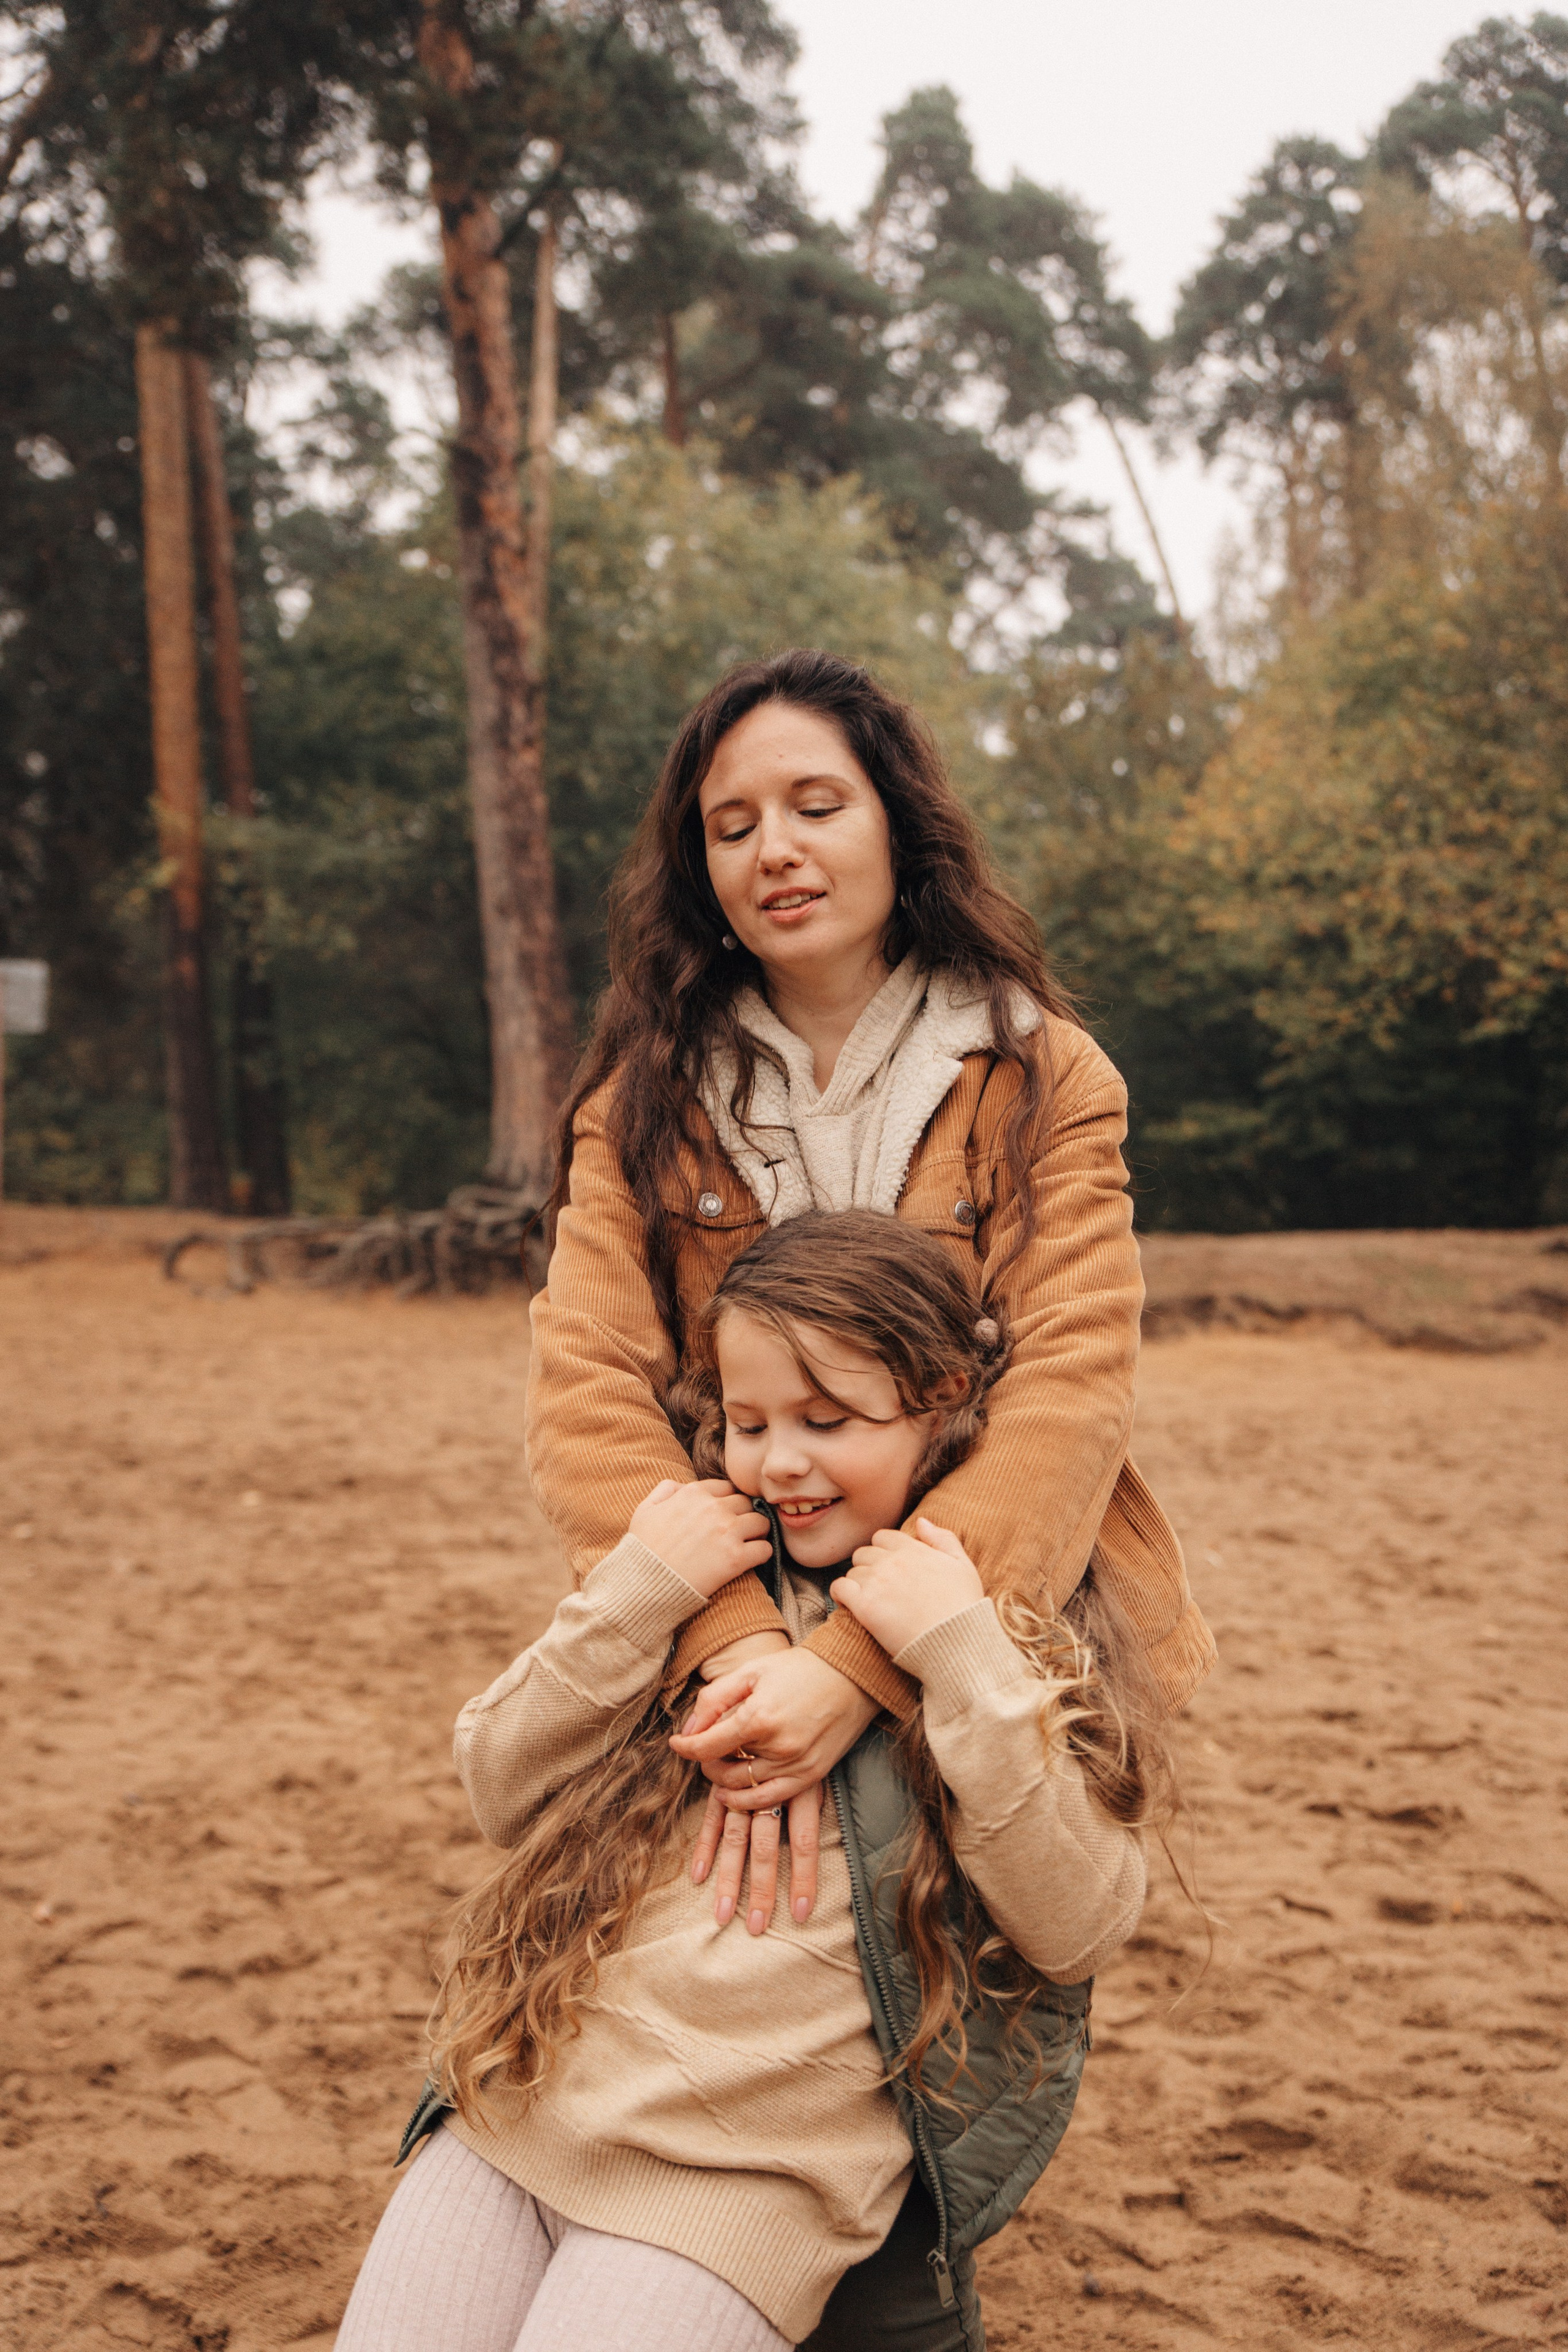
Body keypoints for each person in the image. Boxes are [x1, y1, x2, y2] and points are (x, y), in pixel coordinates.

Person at [335, 1212, 1174, 2352]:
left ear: (944, 1405)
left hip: (740, 2176)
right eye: (747, 1422)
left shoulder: (1003, 1632)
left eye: (828, 1421)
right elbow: (498, 1783)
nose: (779, 1461)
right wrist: (642, 1591)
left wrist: (956, 1648)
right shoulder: (712, 1579)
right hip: (523, 2106)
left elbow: (1080, 1923)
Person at [526, 646, 1213, 1936]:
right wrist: (739, 1648)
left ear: (898, 822)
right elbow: (585, 1392)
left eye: (814, 806)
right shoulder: (637, 1104)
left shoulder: (1048, 1076)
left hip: (989, 1603)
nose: (771, 849)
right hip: (725, 1594)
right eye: (729, 828)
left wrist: (856, 1670)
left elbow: (1069, 1393)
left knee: (983, 1969)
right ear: (701, 872)